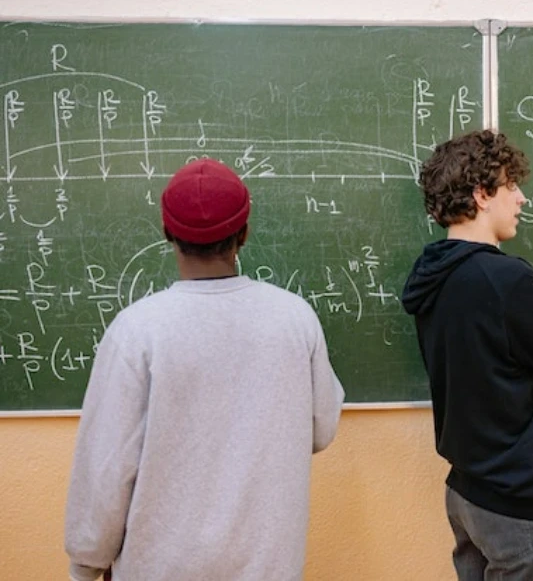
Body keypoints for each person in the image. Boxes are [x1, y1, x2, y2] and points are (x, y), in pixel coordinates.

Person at [65, 159, 345, 581]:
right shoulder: (294, 318)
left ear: (167, 234)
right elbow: (321, 429)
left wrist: (87, 563)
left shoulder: (138, 330)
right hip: (268, 566)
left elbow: (106, 467)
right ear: (244, 234)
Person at [401, 129, 533, 581]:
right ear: (481, 194)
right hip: (521, 505)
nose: (522, 199)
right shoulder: (507, 281)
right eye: (511, 186)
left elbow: (497, 367)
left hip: (468, 492)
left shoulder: (433, 276)